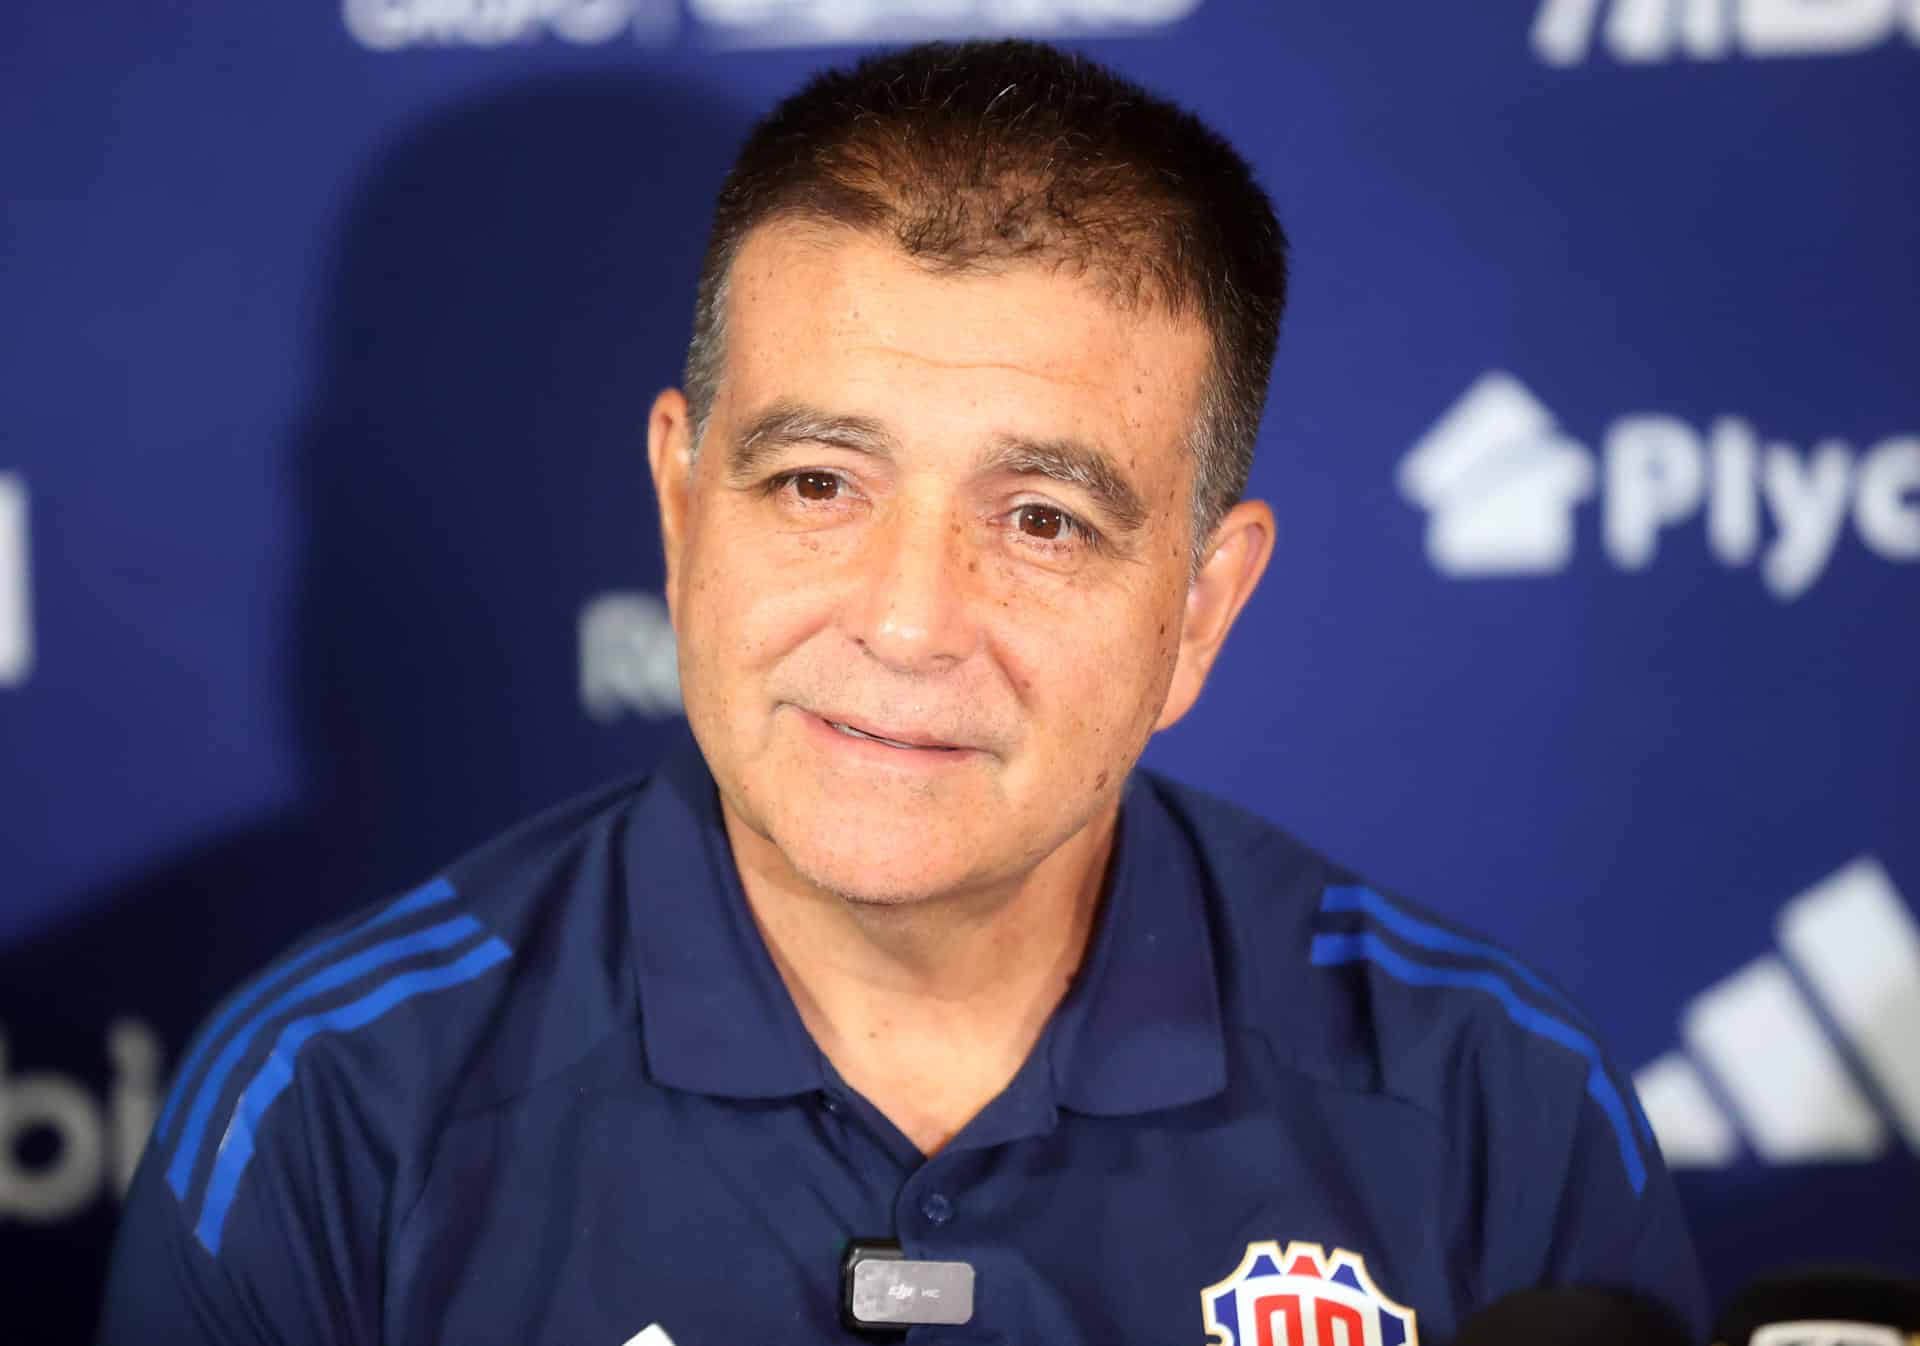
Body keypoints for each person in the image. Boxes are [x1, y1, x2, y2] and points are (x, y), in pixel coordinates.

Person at [100, 39, 1707, 1345]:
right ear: (679, 509)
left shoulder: (1495, 1109)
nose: (911, 620)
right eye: (815, 483)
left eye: (1043, 520)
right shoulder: (328, 1116)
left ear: (1203, 608)